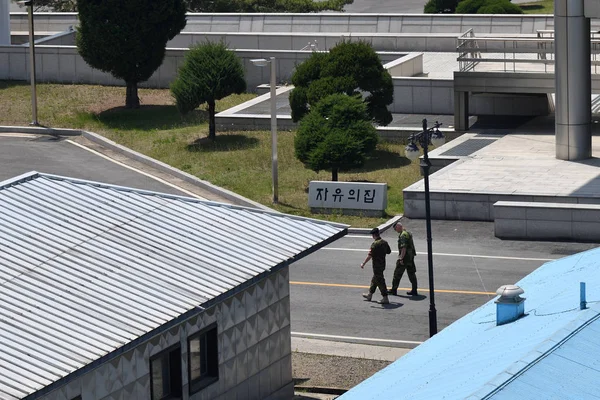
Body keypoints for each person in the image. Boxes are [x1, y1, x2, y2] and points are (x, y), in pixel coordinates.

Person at [360, 227, 392, 304]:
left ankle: (385, 297)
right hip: (382, 265)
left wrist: (363, 263)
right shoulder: (384, 242)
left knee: (380, 281)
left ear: (374, 235)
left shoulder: (375, 244)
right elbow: (389, 251)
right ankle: (369, 295)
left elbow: (370, 255)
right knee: (375, 279)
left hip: (376, 266)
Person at [389, 221, 419, 296]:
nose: (396, 230)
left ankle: (394, 290)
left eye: (395, 229)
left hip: (405, 257)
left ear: (398, 227)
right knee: (411, 273)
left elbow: (404, 248)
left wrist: (401, 258)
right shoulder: (407, 233)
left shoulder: (403, 235)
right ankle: (414, 290)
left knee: (397, 274)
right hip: (410, 257)